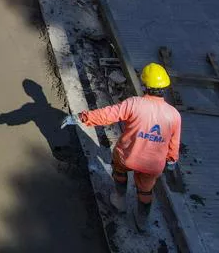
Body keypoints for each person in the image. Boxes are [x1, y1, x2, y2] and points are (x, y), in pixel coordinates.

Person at [61, 63, 181, 231]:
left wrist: (82, 117)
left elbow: (107, 115)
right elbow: (174, 144)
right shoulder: (174, 115)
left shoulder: (134, 104)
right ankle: (142, 222)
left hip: (128, 157)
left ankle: (119, 200)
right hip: (153, 165)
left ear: (144, 85)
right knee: (146, 190)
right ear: (164, 88)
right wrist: (171, 161)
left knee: (119, 169)